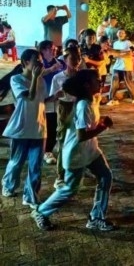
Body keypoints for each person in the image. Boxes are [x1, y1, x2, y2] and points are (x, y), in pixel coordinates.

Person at [30, 69, 115, 231]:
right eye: (96, 80)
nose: (100, 82)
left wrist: (99, 123)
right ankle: (41, 212)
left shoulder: (92, 100)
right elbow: (81, 135)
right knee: (69, 189)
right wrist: (103, 126)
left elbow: (89, 126)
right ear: (87, 85)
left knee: (105, 177)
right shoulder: (83, 105)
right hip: (76, 153)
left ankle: (96, 217)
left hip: (90, 150)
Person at [1, 49, 48, 208]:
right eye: (36, 60)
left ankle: (30, 196)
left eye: (40, 60)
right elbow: (30, 96)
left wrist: (55, 97)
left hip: (39, 127)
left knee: (36, 166)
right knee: (16, 162)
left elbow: (41, 100)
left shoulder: (41, 80)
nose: (40, 63)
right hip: (21, 128)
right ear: (26, 62)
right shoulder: (16, 79)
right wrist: (35, 78)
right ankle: (8, 185)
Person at [49, 46, 81, 190]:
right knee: (63, 141)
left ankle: (76, 171)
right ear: (65, 60)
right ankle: (60, 176)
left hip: (79, 107)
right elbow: (53, 98)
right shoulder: (58, 77)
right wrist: (58, 95)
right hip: (64, 108)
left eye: (78, 58)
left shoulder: (82, 76)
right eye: (72, 58)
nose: (76, 61)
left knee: (80, 140)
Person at [38, 40, 66, 166]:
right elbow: (36, 74)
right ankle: (43, 150)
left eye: (55, 48)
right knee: (44, 126)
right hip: (43, 99)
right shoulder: (39, 63)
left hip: (58, 100)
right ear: (43, 50)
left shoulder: (60, 63)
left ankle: (48, 150)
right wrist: (51, 69)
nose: (54, 50)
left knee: (54, 125)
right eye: (50, 48)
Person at [107, 29, 134, 106]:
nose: (121, 34)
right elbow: (114, 55)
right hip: (117, 67)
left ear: (125, 35)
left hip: (126, 66)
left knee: (128, 83)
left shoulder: (128, 43)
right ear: (117, 34)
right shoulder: (115, 43)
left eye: (122, 33)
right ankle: (112, 99)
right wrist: (122, 53)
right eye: (119, 33)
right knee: (114, 84)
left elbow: (130, 53)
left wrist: (118, 53)